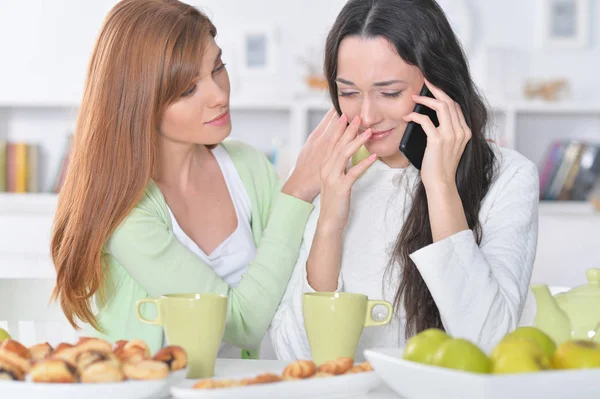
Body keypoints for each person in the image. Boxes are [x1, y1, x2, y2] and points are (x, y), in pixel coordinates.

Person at [49, 0, 374, 358]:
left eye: (218, 68)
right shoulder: (127, 216)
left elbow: (295, 296)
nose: (219, 95)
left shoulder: (247, 165)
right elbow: (240, 324)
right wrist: (296, 191)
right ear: (139, 102)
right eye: (188, 90)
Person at [269, 0, 539, 360]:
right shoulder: (330, 174)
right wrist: (330, 222)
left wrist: (440, 187)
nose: (366, 115)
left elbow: (487, 345)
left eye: (390, 93)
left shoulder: (508, 177)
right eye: (348, 93)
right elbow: (295, 354)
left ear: (438, 86)